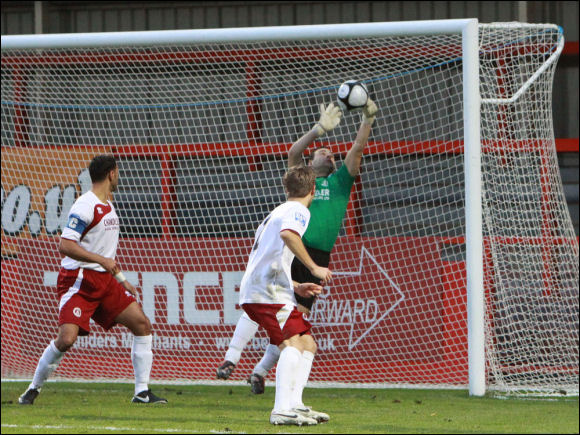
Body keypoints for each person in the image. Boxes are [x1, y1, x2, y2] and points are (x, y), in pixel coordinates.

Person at [217, 98, 378, 394]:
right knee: (264, 303)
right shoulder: (301, 184)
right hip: (294, 250)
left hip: (317, 254)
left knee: (295, 321)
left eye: (331, 153)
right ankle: (232, 358)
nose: (328, 153)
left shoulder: (340, 183)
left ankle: (260, 371)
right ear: (309, 165)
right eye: (322, 151)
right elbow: (294, 152)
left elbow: (356, 150)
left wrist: (367, 120)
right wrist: (317, 130)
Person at [18, 154, 167, 405]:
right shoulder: (85, 205)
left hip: (106, 282)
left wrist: (121, 279)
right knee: (66, 340)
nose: (118, 176)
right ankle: (33, 389)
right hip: (79, 281)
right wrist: (100, 260)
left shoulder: (108, 204)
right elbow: (65, 245)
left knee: (142, 325)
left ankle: (141, 392)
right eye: (117, 172)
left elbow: (106, 252)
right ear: (111, 174)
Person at [238, 165, 332, 426]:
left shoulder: (277, 212)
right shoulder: (298, 211)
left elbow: (268, 259)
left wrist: (297, 285)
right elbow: (288, 235)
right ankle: (281, 409)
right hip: (267, 293)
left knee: (307, 344)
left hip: (271, 289)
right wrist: (314, 268)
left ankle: (296, 405)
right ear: (312, 190)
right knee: (291, 345)